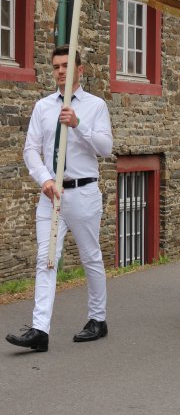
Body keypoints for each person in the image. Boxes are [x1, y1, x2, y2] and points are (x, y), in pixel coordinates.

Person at [6, 45, 113, 352]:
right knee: (46, 259)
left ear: (80, 70)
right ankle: (40, 329)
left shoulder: (95, 106)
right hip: (53, 194)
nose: (61, 71)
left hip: (83, 192)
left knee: (90, 256)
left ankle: (98, 319)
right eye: (56, 66)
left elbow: (106, 148)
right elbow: (30, 150)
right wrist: (45, 179)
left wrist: (79, 125)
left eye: (67, 65)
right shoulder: (43, 107)